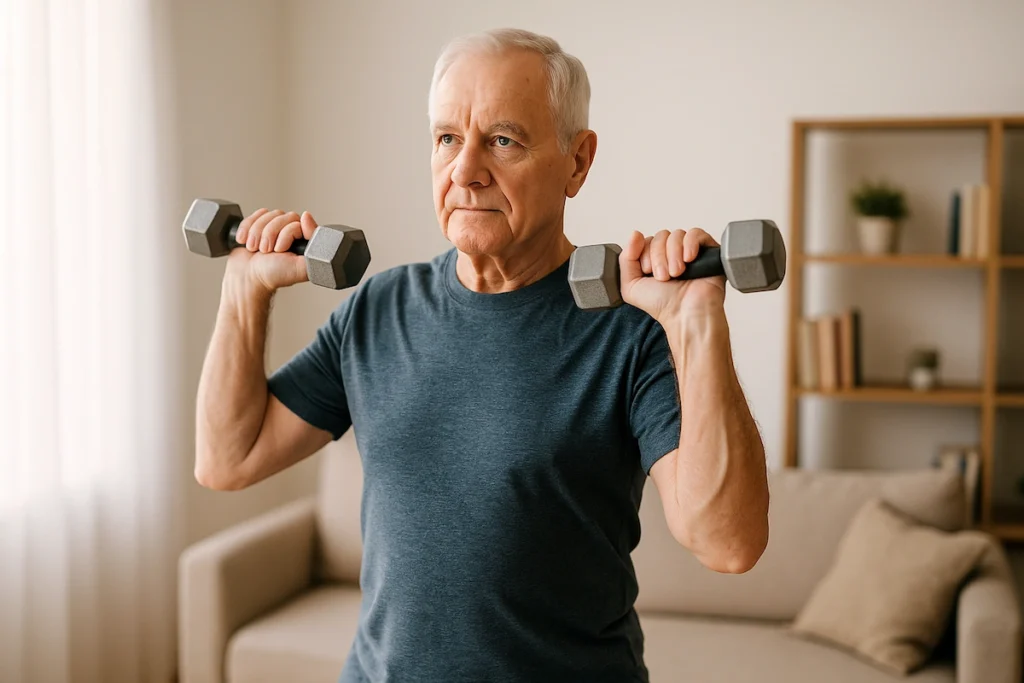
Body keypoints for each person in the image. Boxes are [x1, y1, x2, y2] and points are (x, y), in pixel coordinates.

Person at [194, 27, 769, 683]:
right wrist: (244, 289)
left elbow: (729, 542)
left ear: (577, 161)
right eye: (446, 138)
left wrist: (696, 323)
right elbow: (227, 458)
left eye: (503, 140)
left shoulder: (631, 331)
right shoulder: (379, 309)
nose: (465, 170)